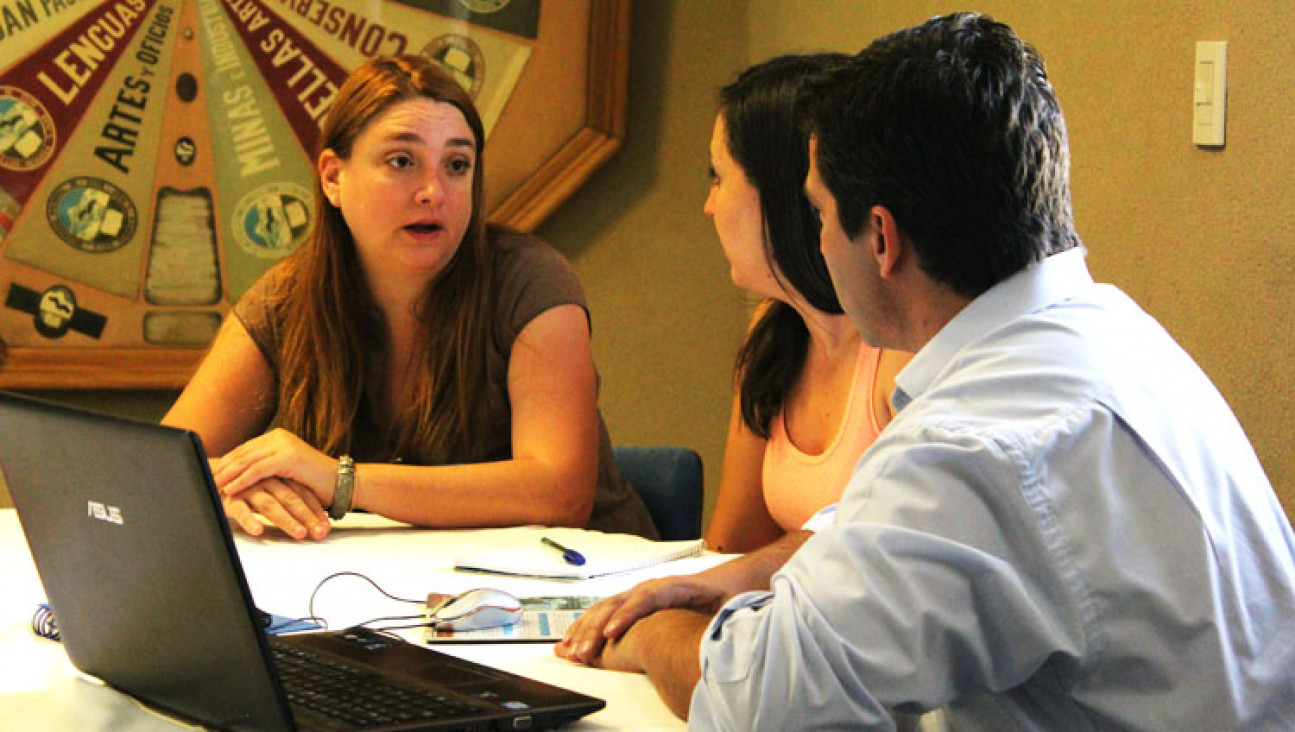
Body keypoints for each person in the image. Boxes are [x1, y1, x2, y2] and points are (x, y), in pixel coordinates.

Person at [556, 13, 1295, 729]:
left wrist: (654, 632)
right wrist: (739, 579)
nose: (815, 241)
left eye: (817, 215)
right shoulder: (1119, 338)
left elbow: (761, 699)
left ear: (880, 238)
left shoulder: (967, 445)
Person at [163, 55, 656, 541]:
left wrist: (341, 480)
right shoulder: (286, 298)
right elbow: (161, 465)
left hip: (571, 600)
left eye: (457, 165)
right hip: (374, 598)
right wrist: (224, 488)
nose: (432, 192)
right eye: (402, 161)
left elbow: (559, 493)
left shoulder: (530, 281)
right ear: (333, 177)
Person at [701, 54, 911, 555]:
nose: (709, 205)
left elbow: (890, 550)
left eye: (717, 177)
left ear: (780, 193)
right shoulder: (773, 331)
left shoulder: (903, 351)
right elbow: (733, 546)